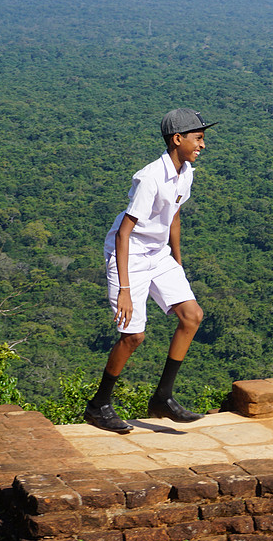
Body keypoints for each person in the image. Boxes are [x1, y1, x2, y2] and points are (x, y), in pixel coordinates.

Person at [83, 108, 217, 433]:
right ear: (178, 139)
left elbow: (174, 214)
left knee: (192, 315)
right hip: (128, 253)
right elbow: (123, 233)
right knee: (133, 336)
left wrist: (177, 263)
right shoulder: (150, 178)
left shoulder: (186, 172)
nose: (202, 145)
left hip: (159, 253)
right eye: (198, 139)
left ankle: (163, 398)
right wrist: (126, 290)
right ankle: (98, 405)